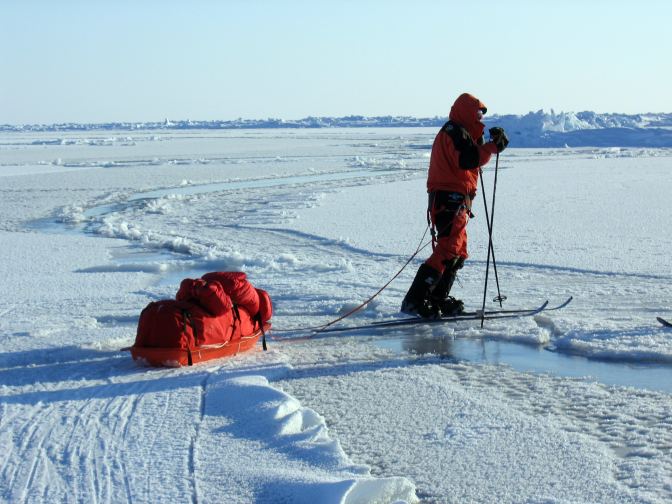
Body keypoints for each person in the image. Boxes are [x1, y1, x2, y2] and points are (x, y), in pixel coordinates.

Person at [401, 92, 509, 318]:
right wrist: (490, 147)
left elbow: (472, 157)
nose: (480, 118)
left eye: (481, 114)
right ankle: (415, 302)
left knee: (457, 252)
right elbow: (467, 160)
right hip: (449, 200)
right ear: (466, 111)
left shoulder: (463, 133)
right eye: (477, 113)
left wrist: (488, 145)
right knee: (448, 249)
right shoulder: (454, 131)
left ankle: (436, 299)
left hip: (457, 201)